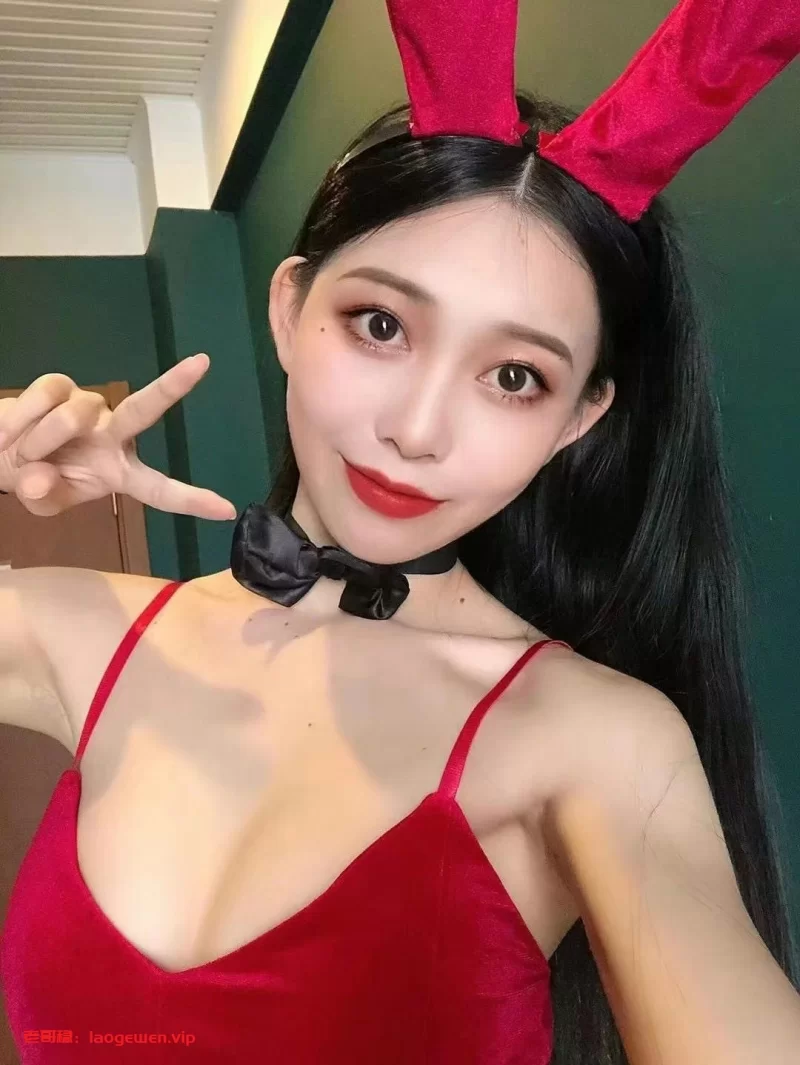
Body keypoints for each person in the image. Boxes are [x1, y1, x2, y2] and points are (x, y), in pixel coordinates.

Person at [2, 5, 800, 1065]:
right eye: (380, 325)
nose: (417, 431)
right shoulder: (74, 633)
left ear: (576, 419)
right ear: (290, 310)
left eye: (512, 376)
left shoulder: (593, 737)